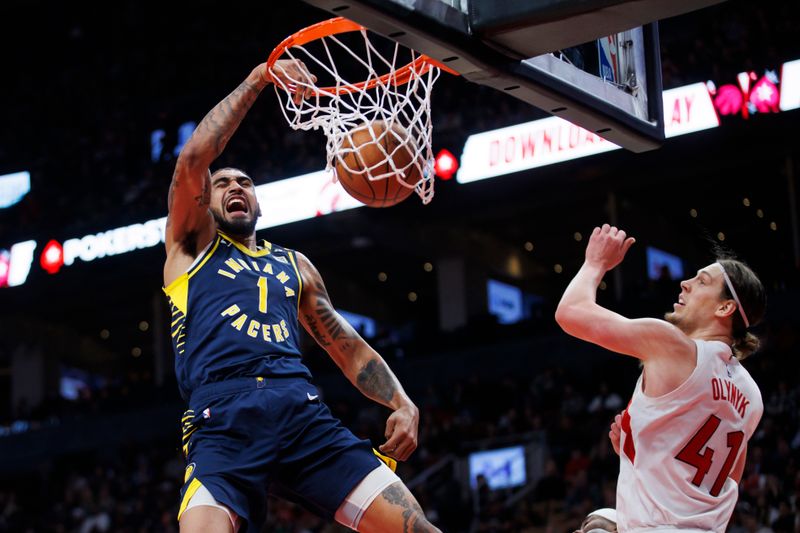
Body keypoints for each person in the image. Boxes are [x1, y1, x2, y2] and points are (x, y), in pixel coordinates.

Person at [163, 59, 440, 533]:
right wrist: (258, 78)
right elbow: (192, 160)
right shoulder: (190, 247)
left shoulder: (294, 265)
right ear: (202, 203)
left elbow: (345, 344)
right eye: (223, 182)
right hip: (223, 420)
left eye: (245, 183)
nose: (235, 187)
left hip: (301, 412)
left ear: (258, 203)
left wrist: (402, 402)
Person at [555, 224, 766, 532]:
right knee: (603, 521)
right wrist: (645, 446)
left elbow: (571, 312)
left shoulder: (674, 346)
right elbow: (727, 478)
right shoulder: (752, 394)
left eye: (702, 281)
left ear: (725, 307)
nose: (685, 283)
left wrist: (595, 263)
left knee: (597, 525)